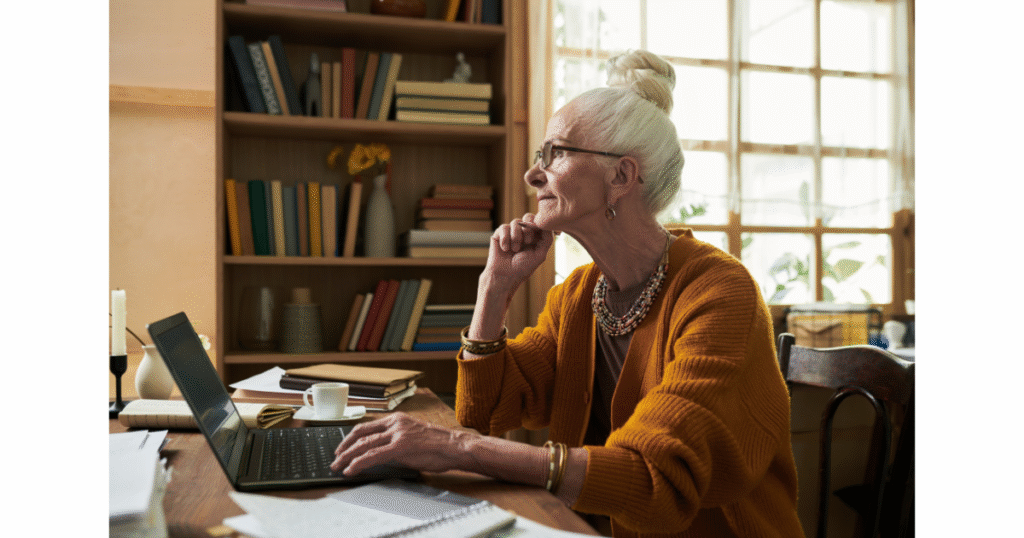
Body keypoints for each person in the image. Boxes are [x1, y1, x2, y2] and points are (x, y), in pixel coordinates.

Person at [332, 49, 804, 538]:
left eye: (556, 153)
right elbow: (484, 413)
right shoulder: (580, 294)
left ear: (621, 176)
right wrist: (494, 288)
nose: (533, 175)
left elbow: (650, 477)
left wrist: (457, 450)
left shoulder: (719, 293)